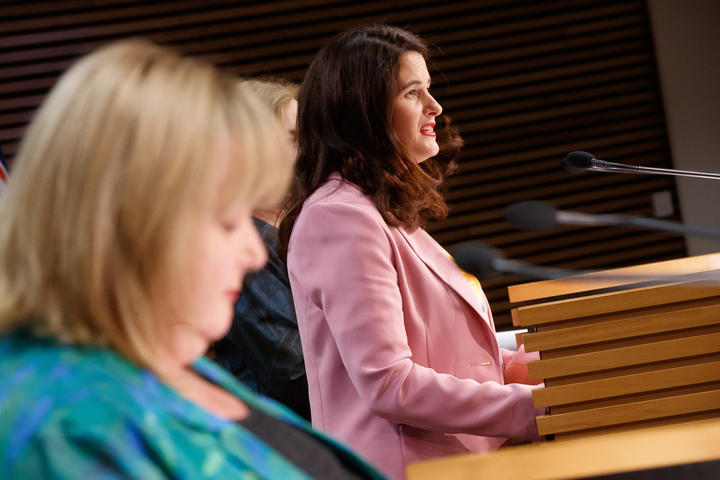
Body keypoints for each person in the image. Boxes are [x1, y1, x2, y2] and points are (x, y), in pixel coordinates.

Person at [0, 39, 385, 479]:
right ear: (125, 223)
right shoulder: (61, 433)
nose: (253, 250)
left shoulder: (166, 362)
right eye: (225, 220)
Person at [279, 25, 545, 480]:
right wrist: (536, 407)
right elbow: (389, 383)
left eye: (430, 90)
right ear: (363, 110)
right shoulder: (338, 217)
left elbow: (448, 354)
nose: (435, 107)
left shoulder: (379, 211)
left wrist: (558, 360)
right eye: (412, 92)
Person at [213, 78, 311, 420]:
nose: (310, 151)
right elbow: (294, 373)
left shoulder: (301, 226)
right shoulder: (246, 249)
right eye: (292, 139)